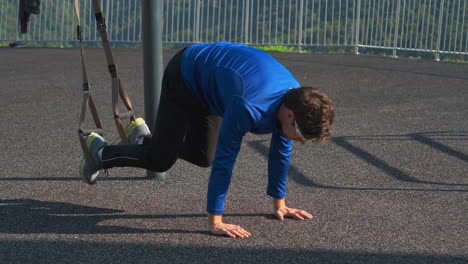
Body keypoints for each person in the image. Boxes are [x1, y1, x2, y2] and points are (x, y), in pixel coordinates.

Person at [80, 42, 335, 238]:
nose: (301, 142)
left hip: (216, 85)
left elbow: (281, 152)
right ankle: (100, 153)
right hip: (186, 74)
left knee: (204, 156)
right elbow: (226, 161)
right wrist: (216, 222)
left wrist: (280, 204)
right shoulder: (249, 106)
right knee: (160, 161)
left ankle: (146, 140)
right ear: (289, 114)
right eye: (302, 135)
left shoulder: (295, 100)